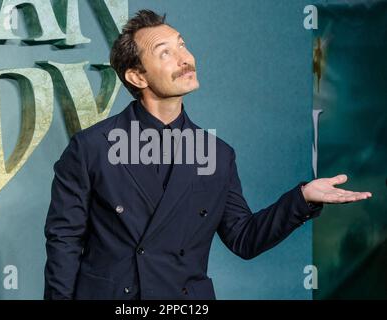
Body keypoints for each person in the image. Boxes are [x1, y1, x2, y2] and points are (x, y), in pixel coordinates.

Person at [43, 9, 372, 300]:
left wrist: (302, 198)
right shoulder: (91, 147)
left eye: (183, 45)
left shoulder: (217, 154)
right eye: (166, 52)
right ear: (137, 76)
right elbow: (64, 242)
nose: (185, 58)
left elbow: (244, 239)